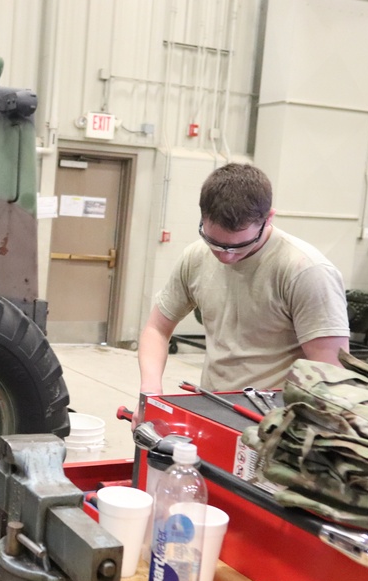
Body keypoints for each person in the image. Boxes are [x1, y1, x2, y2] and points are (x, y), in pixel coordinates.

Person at [136, 163, 349, 418]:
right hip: (214, 408)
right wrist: (149, 394)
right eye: (215, 243)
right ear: (202, 216)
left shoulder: (306, 271)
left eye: (240, 245)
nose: (225, 256)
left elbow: (330, 375)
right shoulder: (195, 257)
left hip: (275, 422)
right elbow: (157, 329)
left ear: (268, 218)